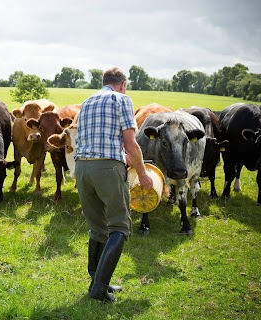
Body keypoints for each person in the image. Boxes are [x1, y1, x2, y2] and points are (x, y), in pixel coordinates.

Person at [75, 67, 153, 303]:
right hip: (107, 170)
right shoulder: (121, 99)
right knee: (120, 226)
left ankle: (97, 281)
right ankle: (99, 289)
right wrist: (143, 174)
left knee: (98, 227)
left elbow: (97, 140)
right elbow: (131, 144)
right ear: (123, 84)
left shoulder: (87, 101)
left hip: (82, 169)